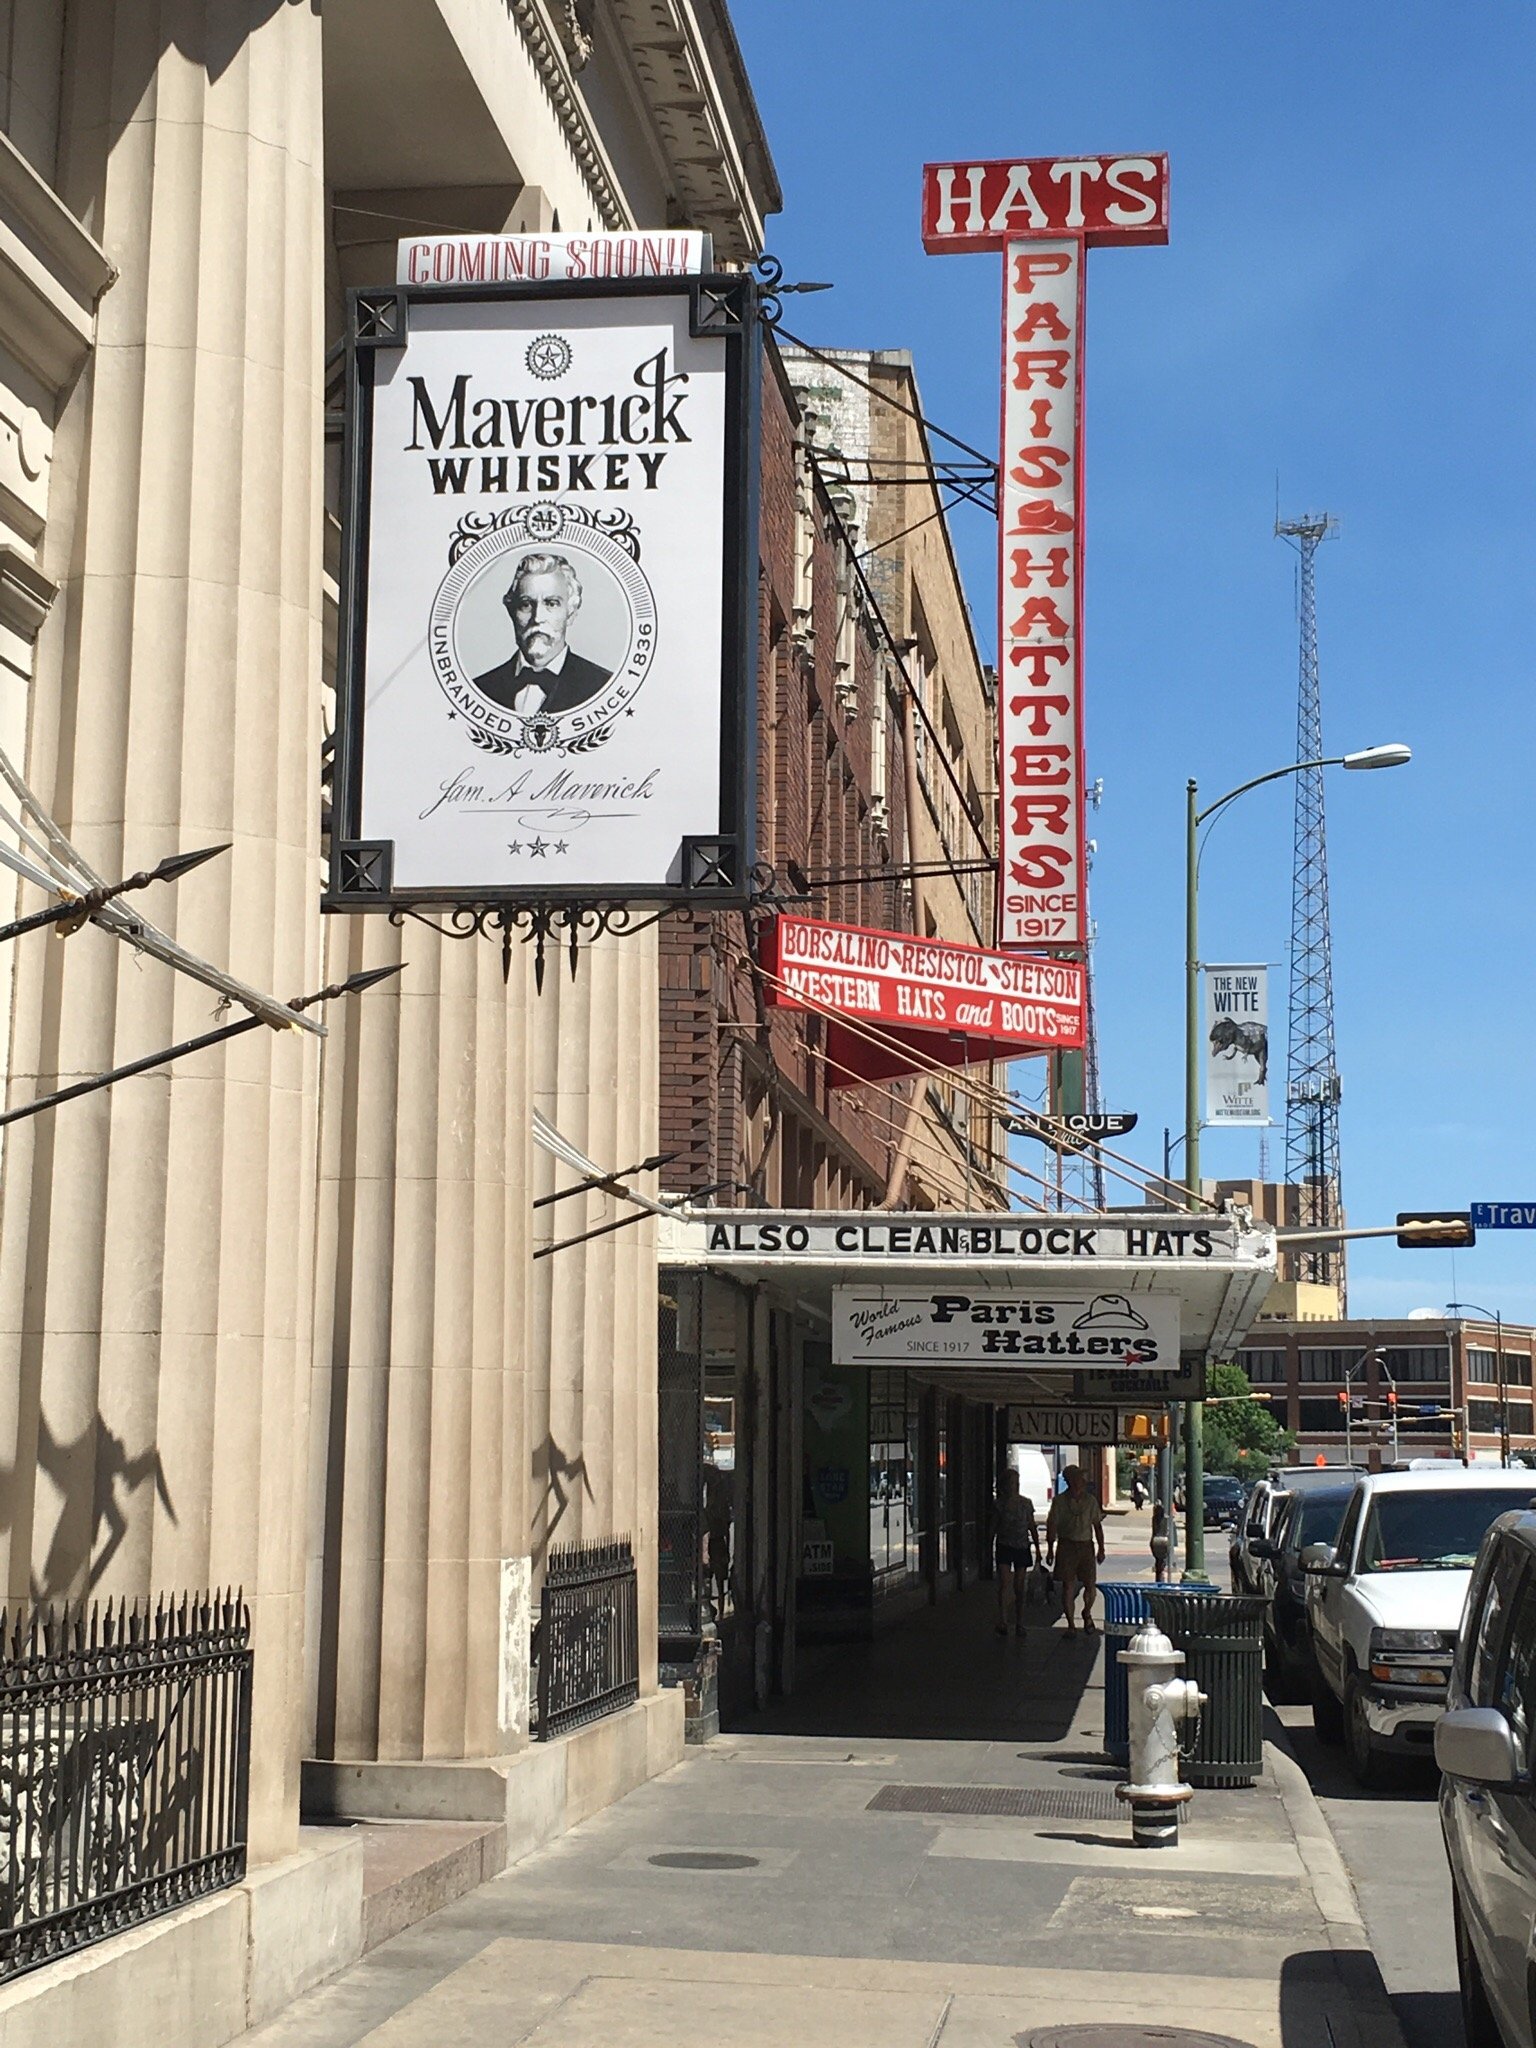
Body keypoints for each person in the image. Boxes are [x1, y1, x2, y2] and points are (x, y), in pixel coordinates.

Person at [473, 552, 612, 714]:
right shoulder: (481, 688)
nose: (537, 618)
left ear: (571, 613)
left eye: (551, 604)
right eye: (526, 604)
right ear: (512, 612)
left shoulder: (604, 686)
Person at [1046, 1463, 1106, 1633]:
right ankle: (1071, 1624)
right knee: (1068, 1586)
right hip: (1067, 1545)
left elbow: (1097, 1526)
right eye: (1080, 1477)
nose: (1083, 1480)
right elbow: (1052, 1525)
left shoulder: (1091, 1501)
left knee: (1090, 1586)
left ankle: (1087, 1612)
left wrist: (1101, 1548)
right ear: (1071, 1480)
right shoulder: (1059, 1501)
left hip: (1086, 1545)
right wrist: (1050, 1548)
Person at [993, 1466, 1040, 1636]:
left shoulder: (1026, 1503)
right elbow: (994, 1526)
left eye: (1016, 1482)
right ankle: (1003, 1620)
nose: (1014, 1486)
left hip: (1021, 1546)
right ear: (1005, 1485)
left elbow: (1031, 1526)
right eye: (1011, 1483)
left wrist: (1038, 1549)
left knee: (1020, 1586)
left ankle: (1020, 1622)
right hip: (1004, 1545)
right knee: (1005, 1583)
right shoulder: (999, 1504)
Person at [1150, 1498, 1174, 1583]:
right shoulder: (1163, 1519)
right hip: (1161, 1540)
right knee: (1161, 1563)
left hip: (1158, 1540)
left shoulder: (1156, 1519)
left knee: (1160, 1563)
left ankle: (1161, 1576)